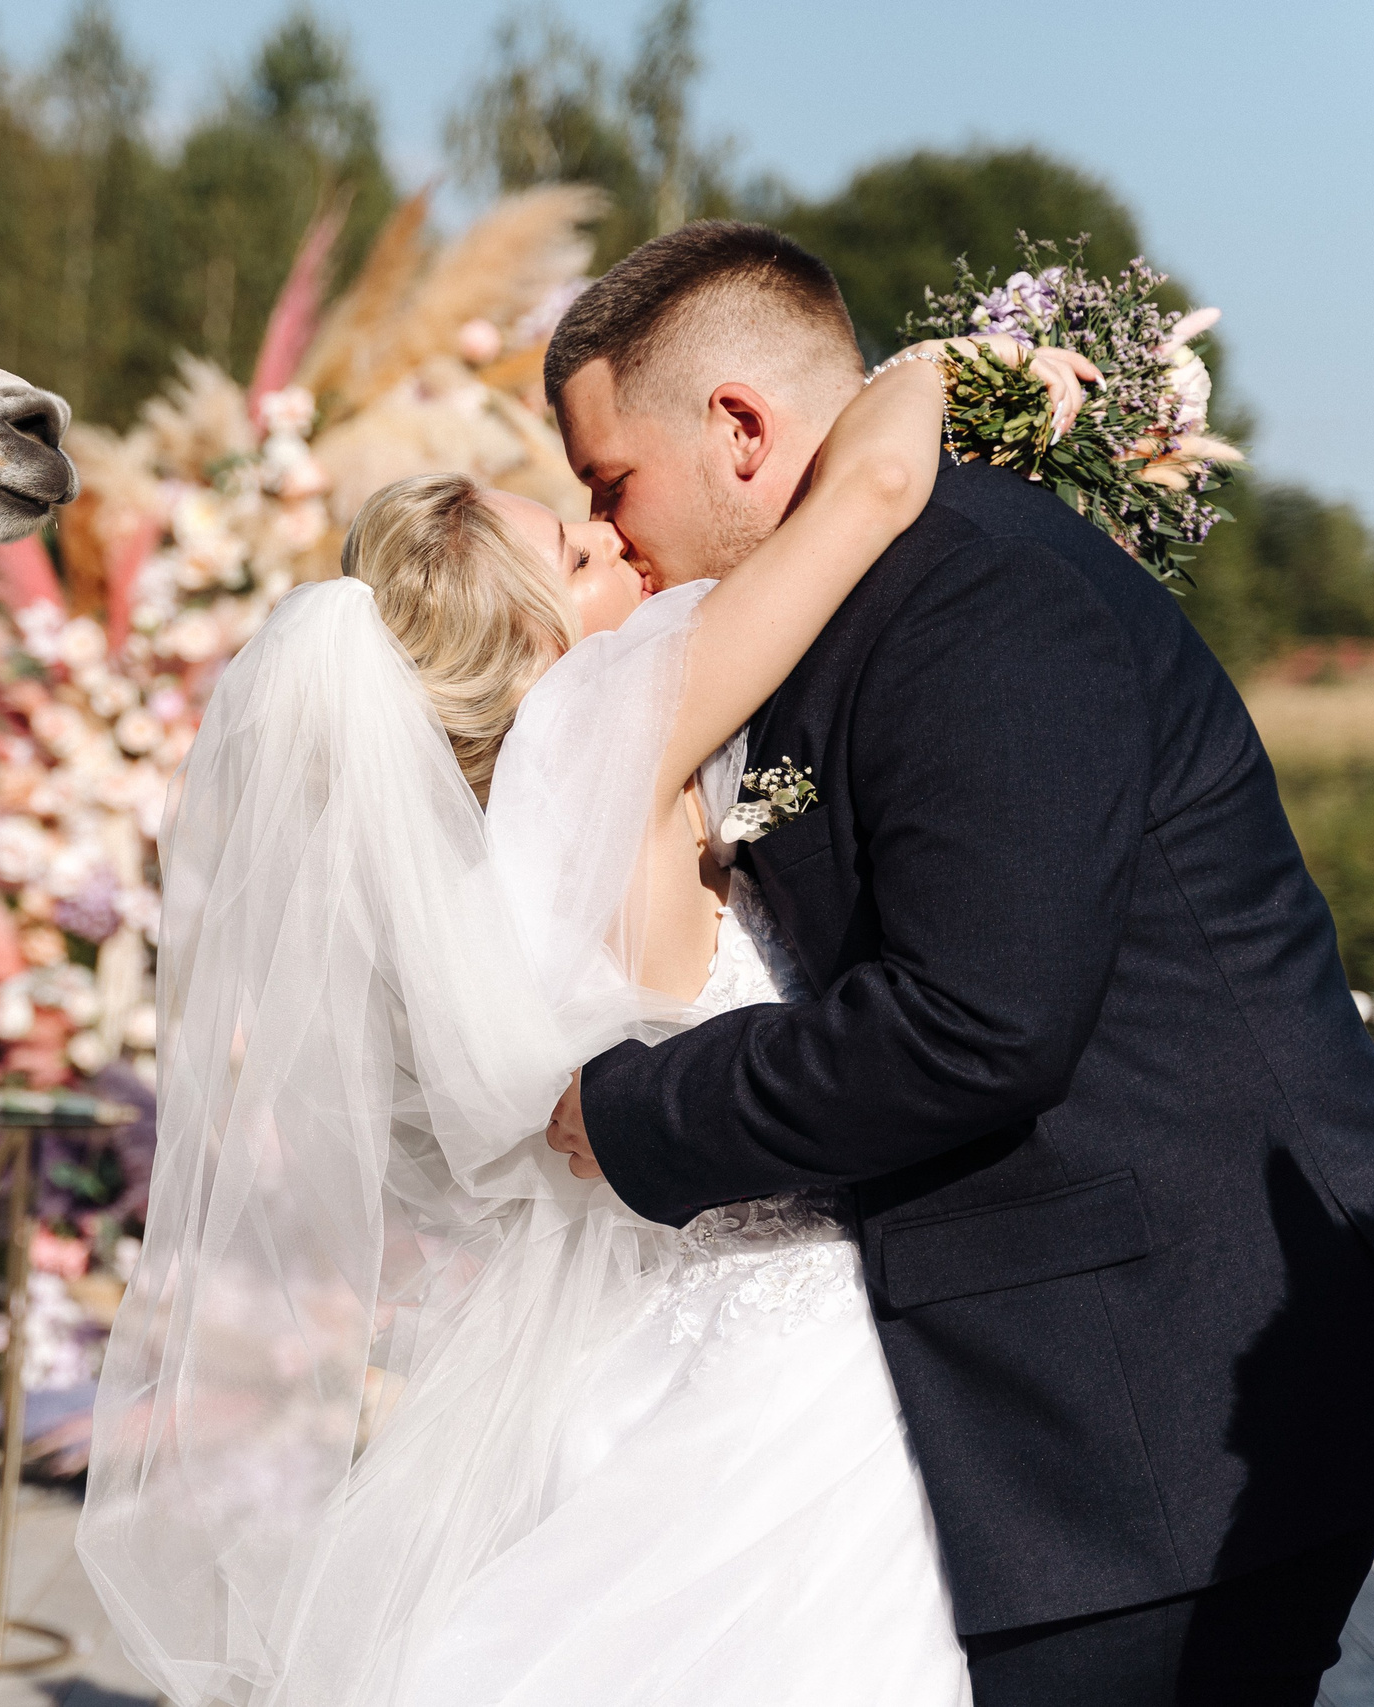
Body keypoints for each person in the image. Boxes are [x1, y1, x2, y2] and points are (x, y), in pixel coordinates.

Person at [81, 261, 1090, 1703]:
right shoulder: (616, 719)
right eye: (577, 547)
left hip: (651, 1335)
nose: (623, 546)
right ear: (535, 643)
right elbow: (864, 499)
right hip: (803, 1351)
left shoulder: (490, 846)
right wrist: (937, 372)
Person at [544, 221, 1374, 1706]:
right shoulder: (850, 604)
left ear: (740, 430)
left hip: (1154, 1393)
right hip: (1064, 1392)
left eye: (611, 482)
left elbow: (977, 1023)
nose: (611, 531)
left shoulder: (978, 597)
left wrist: (622, 1115)